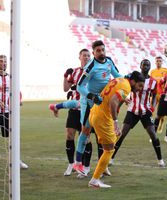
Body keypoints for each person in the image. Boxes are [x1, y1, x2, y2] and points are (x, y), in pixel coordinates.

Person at [88, 71, 145, 188]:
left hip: (94, 112)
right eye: (139, 85)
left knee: (114, 138)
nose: (140, 89)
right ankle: (95, 180)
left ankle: (103, 167)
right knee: (109, 150)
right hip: (103, 118)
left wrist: (123, 100)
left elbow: (112, 96)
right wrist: (115, 122)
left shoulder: (120, 80)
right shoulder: (126, 87)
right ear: (133, 81)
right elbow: (113, 101)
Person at [74, 40, 122, 176]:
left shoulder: (109, 61)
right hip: (89, 102)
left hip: (103, 103)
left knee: (104, 133)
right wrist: (91, 96)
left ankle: (103, 166)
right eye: (98, 51)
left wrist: (125, 87)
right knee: (86, 131)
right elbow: (79, 86)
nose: (101, 53)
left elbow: (118, 77)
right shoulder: (90, 67)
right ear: (93, 52)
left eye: (103, 50)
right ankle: (78, 163)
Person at [110, 59, 165, 167]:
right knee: (122, 134)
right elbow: (124, 89)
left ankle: (160, 160)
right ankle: (111, 158)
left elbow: (154, 96)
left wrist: (152, 108)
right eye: (144, 64)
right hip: (132, 110)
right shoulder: (132, 78)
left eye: (148, 65)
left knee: (153, 134)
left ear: (150, 67)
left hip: (145, 111)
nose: (146, 66)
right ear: (140, 66)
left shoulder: (153, 81)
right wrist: (122, 101)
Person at [49, 49, 95, 176]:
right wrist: (65, 76)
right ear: (79, 57)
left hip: (86, 109)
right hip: (74, 109)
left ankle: (86, 166)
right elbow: (65, 89)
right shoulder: (74, 72)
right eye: (84, 55)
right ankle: (71, 164)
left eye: (88, 56)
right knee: (69, 135)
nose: (86, 57)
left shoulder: (92, 71)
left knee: (86, 138)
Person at [0, 55, 28, 173]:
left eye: (5, 62)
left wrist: (19, 100)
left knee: (13, 137)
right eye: (1, 61)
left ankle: (16, 160)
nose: (4, 63)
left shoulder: (11, 78)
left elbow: (17, 92)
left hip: (9, 112)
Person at [150, 56, 167, 133]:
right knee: (150, 110)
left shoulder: (166, 71)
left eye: (160, 61)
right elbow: (151, 82)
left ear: (162, 62)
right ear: (155, 62)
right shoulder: (152, 71)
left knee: (161, 113)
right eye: (157, 61)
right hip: (154, 94)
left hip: (162, 94)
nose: (158, 62)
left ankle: (161, 124)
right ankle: (151, 125)